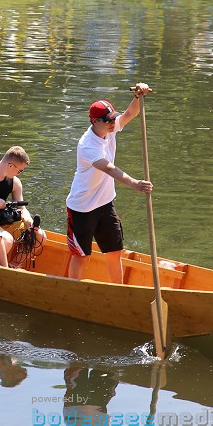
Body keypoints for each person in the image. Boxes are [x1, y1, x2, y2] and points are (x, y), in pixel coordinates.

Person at [64, 85, 154, 283]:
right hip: (82, 208)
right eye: (108, 120)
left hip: (105, 203)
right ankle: (73, 290)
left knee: (115, 251)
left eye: (114, 118)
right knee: (81, 255)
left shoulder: (110, 128)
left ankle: (119, 292)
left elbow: (131, 112)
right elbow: (110, 169)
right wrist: (135, 183)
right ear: (95, 121)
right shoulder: (87, 145)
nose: (113, 123)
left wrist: (138, 96)